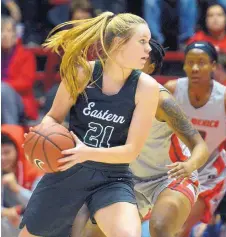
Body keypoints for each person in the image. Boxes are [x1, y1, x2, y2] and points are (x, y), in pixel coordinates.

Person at [19, 12, 160, 237]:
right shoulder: (82, 73)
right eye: (142, 41)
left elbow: (130, 151)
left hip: (112, 176)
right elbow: (53, 117)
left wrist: (87, 152)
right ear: (118, 43)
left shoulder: (147, 88)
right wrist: (43, 132)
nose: (149, 49)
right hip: (68, 169)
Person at [76, 39, 209, 237]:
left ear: (151, 67)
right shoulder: (105, 95)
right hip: (127, 179)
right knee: (91, 233)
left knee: (160, 227)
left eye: (140, 57)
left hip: (171, 176)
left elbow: (200, 147)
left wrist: (189, 166)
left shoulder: (161, 100)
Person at [164, 41, 226, 237]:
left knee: (179, 229)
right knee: (163, 226)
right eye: (190, 62)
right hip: (173, 165)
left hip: (209, 172)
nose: (195, 67)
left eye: (202, 62)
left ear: (214, 66)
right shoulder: (172, 90)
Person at [1, 124, 43, 237]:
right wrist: (4, 212)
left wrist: (17, 188)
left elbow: (41, 205)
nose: (2, 158)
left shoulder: (36, 169)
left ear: (19, 150)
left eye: (6, 152)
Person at [188, 3, 226, 73]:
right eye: (210, 15)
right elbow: (191, 63)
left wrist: (221, 58)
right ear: (205, 20)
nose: (215, 18)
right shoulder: (198, 38)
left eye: (219, 15)